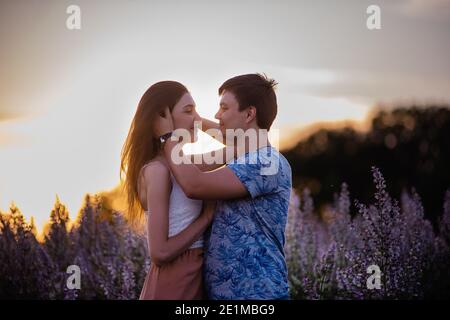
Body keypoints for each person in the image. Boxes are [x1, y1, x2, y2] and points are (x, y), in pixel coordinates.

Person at [154, 74, 292, 299]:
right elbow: (232, 143)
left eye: (224, 108)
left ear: (249, 114)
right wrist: (193, 120)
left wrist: (168, 137)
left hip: (258, 297)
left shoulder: (267, 162)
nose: (217, 116)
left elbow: (194, 184)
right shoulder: (244, 156)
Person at [120, 81, 216, 299]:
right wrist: (206, 218)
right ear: (161, 119)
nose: (197, 119)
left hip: (191, 278)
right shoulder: (158, 171)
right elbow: (159, 252)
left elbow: (243, 143)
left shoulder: (184, 165)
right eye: (188, 111)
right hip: (173, 283)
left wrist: (195, 121)